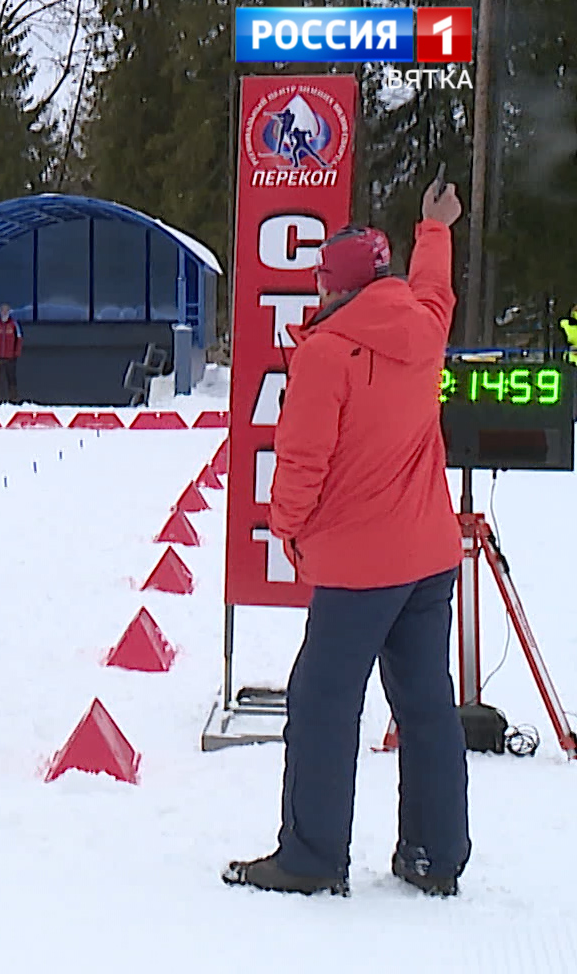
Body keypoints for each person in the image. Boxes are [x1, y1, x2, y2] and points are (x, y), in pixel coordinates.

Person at [224, 179, 468, 898]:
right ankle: (435, 855)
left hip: (359, 566)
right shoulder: (423, 327)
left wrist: (288, 530)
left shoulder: (327, 354)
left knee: (324, 703)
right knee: (427, 706)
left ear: (333, 287)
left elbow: (301, 463)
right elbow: (436, 289)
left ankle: (311, 856)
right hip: (429, 557)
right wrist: (434, 228)